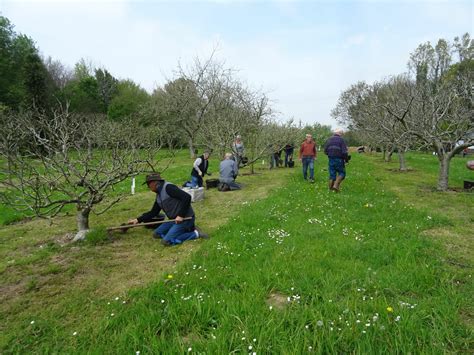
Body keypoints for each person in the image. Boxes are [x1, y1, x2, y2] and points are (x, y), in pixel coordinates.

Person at [128, 173, 208, 246]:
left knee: (166, 241)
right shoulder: (159, 195)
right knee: (156, 234)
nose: (148, 187)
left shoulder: (169, 188)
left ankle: (195, 233)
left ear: (154, 183)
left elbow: (187, 197)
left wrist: (181, 215)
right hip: (173, 220)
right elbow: (154, 212)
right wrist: (137, 220)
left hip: (185, 219)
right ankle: (183, 230)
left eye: (148, 185)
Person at [324, 128, 349, 192]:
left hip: (331, 159)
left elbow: (325, 151)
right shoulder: (341, 140)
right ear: (340, 133)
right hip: (339, 159)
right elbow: (344, 152)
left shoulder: (329, 140)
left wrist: (330, 154)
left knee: (332, 174)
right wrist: (346, 160)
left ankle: (330, 189)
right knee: (342, 173)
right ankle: (336, 185)